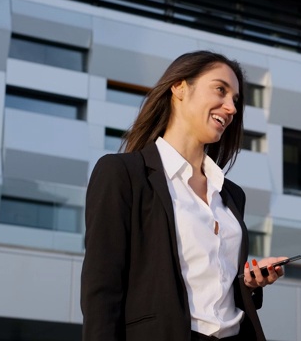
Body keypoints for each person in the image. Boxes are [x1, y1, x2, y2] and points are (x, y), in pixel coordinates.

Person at [81, 50, 287, 341]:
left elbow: (213, 287)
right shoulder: (123, 174)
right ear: (179, 87)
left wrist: (248, 283)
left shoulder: (231, 194)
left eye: (235, 100)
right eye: (220, 90)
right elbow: (102, 289)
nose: (231, 108)